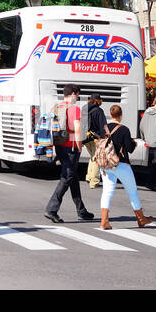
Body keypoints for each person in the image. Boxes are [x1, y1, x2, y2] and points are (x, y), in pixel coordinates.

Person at [98, 105, 154, 229]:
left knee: (107, 192)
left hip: (106, 165)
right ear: (121, 115)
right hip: (121, 164)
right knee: (132, 191)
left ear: (111, 115)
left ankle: (104, 220)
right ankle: (141, 219)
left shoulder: (104, 129)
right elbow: (129, 149)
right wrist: (133, 143)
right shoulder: (124, 129)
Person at [44, 85, 95, 223]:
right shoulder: (75, 109)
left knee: (72, 176)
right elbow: (77, 130)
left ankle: (81, 211)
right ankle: (51, 209)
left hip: (59, 146)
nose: (77, 97)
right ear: (73, 94)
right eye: (77, 95)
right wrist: (79, 147)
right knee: (67, 177)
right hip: (71, 147)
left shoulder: (56, 107)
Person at [84, 95, 107, 189]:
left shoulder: (84, 109)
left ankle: (89, 176)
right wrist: (104, 138)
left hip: (85, 137)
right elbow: (102, 126)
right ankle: (94, 181)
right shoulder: (98, 111)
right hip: (95, 138)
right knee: (96, 158)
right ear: (97, 101)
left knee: (92, 156)